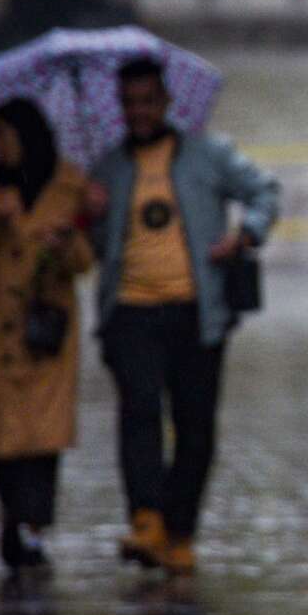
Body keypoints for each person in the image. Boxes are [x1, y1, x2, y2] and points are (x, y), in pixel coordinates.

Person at [84, 58, 281, 574]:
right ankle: (145, 518)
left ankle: (180, 530)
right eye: (129, 103)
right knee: (139, 412)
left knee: (195, 431)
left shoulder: (207, 154)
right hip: (129, 312)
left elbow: (264, 190)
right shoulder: (106, 169)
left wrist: (246, 234)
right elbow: (97, 249)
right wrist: (91, 214)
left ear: (167, 102)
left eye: (148, 101)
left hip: (198, 313)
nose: (139, 112)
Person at [0, 100, 95, 570]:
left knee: (43, 432)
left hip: (46, 325)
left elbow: (84, 262)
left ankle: (34, 523)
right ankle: (13, 515)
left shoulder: (71, 184)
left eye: (4, 135)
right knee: (1, 435)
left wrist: (65, 242)